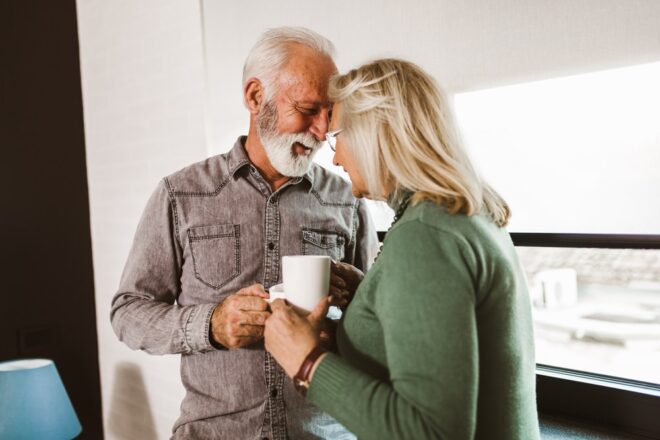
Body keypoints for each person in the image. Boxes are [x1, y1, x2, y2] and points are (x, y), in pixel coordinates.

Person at [111, 27, 378, 439]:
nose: (323, 131)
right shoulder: (180, 194)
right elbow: (128, 312)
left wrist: (358, 297)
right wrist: (210, 324)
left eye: (329, 113)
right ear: (255, 98)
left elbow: (378, 323)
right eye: (308, 109)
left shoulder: (348, 198)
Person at [264, 59, 541, 440]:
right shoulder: (460, 215)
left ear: (375, 133)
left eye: (338, 135)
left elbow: (431, 432)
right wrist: (370, 296)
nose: (335, 157)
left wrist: (306, 362)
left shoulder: (425, 235)